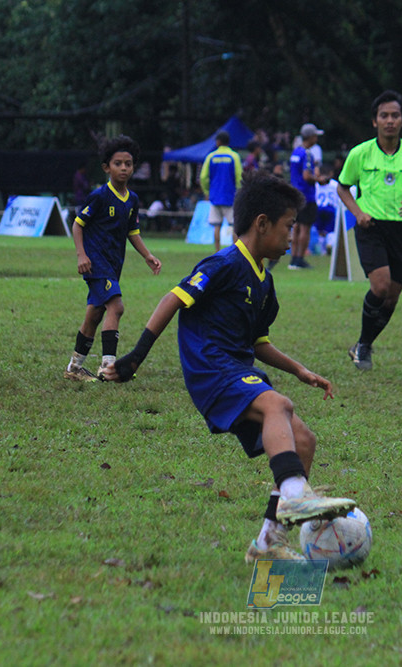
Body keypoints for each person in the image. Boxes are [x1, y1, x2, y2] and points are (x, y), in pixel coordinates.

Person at [102, 173, 357, 562]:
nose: (292, 236)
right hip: (210, 368)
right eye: (288, 226)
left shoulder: (265, 283)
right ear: (261, 223)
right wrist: (136, 355)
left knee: (303, 440)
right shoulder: (224, 263)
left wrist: (299, 370)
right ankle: (293, 496)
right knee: (278, 406)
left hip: (237, 368)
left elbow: (258, 343)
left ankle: (269, 542)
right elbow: (173, 298)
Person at [336, 90, 402, 370]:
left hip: (401, 230)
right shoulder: (360, 153)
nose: (389, 121)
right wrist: (358, 213)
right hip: (370, 227)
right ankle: (365, 347)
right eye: (384, 116)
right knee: (380, 286)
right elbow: (342, 187)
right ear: (375, 121)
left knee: (392, 297)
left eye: (395, 115)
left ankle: (362, 343)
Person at [64, 136, 161, 382]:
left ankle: (74, 367)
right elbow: (77, 225)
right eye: (118, 163)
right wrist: (81, 255)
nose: (124, 168)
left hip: (113, 263)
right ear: (107, 167)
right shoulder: (99, 196)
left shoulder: (133, 200)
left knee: (95, 314)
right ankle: (108, 368)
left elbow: (132, 232)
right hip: (96, 263)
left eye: (128, 164)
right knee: (116, 307)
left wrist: (147, 255)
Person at [200, 130, 242, 253]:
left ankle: (217, 251)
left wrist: (207, 190)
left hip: (215, 196)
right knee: (234, 226)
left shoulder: (211, 156)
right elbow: (239, 176)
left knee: (216, 226)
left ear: (218, 142)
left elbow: (203, 177)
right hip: (230, 196)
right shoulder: (234, 156)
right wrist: (239, 191)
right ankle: (236, 252)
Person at [288, 123, 323, 269]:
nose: (317, 138)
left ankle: (293, 260)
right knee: (305, 228)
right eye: (315, 135)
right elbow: (307, 176)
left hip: (294, 194)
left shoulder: (295, 152)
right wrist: (319, 180)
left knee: (295, 227)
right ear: (311, 137)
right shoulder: (307, 154)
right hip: (306, 196)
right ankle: (300, 259)